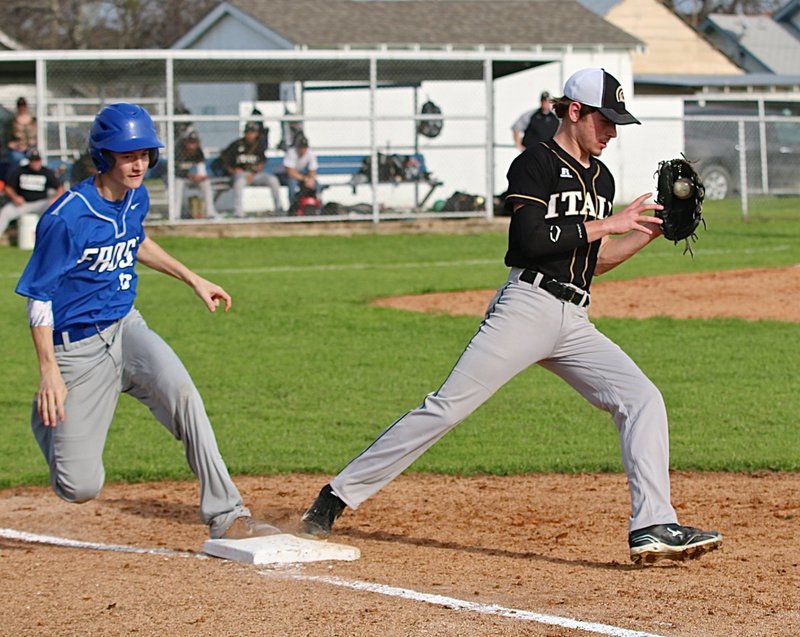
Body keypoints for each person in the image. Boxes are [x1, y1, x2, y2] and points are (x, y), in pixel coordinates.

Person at [300, 68, 723, 566]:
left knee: (641, 398)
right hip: (525, 308)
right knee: (446, 407)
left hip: (574, 318)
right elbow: (528, 241)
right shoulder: (534, 165)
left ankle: (652, 524)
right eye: (605, 121)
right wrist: (608, 223)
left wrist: (642, 235)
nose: (611, 132)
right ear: (574, 112)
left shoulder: (601, 178)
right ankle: (335, 498)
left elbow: (593, 259)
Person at [14, 103, 279, 541]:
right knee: (79, 487)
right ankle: (50, 422)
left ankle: (227, 514)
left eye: (144, 154)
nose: (138, 163)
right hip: (77, 350)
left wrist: (191, 278)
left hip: (127, 327)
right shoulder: (67, 218)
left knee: (185, 395)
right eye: (126, 154)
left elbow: (134, 240)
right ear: (104, 157)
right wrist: (48, 372)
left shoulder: (135, 195)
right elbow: (38, 299)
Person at [219, 121, 283, 217]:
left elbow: (261, 162)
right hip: (240, 175)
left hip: (255, 174)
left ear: (256, 134)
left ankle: (279, 209)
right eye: (248, 132)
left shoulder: (258, 146)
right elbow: (224, 159)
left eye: (252, 132)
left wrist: (253, 173)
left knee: (273, 180)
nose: (250, 135)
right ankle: (239, 212)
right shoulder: (236, 144)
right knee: (239, 182)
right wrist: (233, 170)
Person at [0, 148, 64, 239]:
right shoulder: (20, 171)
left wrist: (55, 198)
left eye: (37, 160)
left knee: (55, 210)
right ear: (29, 161)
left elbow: (60, 188)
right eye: (33, 160)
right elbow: (8, 187)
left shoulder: (46, 172)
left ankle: (55, 238)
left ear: (41, 160)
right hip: (22, 204)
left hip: (41, 203)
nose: (35, 163)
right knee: (5, 212)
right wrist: (15, 197)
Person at [174, 129, 218, 219]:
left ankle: (210, 212)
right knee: (178, 184)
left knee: (206, 183)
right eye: (190, 142)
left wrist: (201, 176)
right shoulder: (178, 151)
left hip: (193, 179)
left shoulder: (198, 152)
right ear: (185, 142)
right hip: (179, 178)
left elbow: (201, 168)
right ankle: (175, 214)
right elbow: (176, 171)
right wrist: (190, 175)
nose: (192, 145)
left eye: (194, 142)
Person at [281, 134, 320, 212]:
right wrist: (305, 179)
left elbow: (313, 170)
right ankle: (293, 208)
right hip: (291, 176)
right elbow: (290, 172)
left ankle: (318, 207)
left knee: (316, 184)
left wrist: (311, 179)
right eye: (301, 147)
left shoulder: (310, 153)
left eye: (304, 147)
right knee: (292, 184)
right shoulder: (291, 152)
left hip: (304, 175)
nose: (303, 150)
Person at [6, 97, 38, 167]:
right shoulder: (12, 121)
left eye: (23, 105)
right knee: (17, 158)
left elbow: (38, 137)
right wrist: (15, 145)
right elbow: (8, 139)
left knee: (34, 158)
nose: (22, 108)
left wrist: (28, 146)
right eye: (20, 105)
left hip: (31, 147)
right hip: (18, 148)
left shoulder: (34, 120)